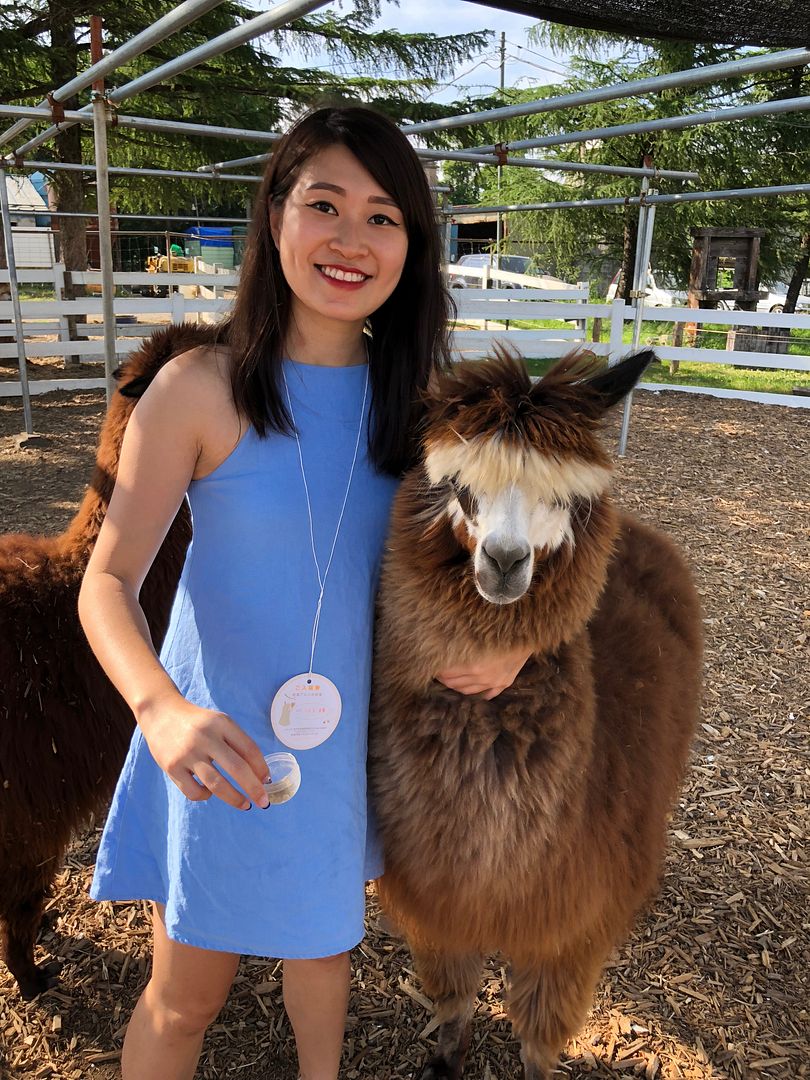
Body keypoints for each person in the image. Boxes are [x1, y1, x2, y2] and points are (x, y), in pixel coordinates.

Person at [79, 106, 530, 1080]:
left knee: (325, 963)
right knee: (185, 995)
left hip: (342, 757)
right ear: (274, 215)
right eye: (324, 203)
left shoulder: (431, 407)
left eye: (384, 217)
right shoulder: (199, 388)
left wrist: (515, 645)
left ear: (412, 245)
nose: (350, 239)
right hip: (215, 745)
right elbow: (105, 581)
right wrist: (160, 711)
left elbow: (511, 564)